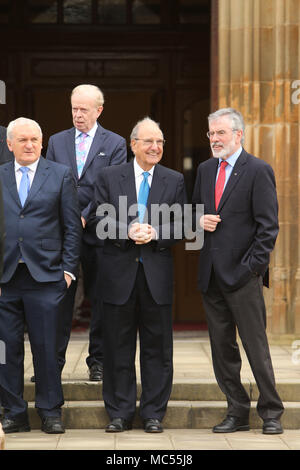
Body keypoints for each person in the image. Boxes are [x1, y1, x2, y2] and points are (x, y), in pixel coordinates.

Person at [90, 117, 187, 433]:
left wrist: (156, 232)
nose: (155, 147)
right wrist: (127, 231)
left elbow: (184, 225)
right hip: (118, 276)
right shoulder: (108, 176)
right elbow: (96, 219)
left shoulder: (173, 180)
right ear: (133, 145)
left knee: (158, 350)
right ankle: (119, 413)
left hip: (156, 277)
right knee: (117, 347)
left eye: (160, 142)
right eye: (149, 142)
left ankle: (153, 414)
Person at [192, 108, 284, 435]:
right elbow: (195, 214)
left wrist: (251, 269)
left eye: (221, 133)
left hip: (244, 278)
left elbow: (268, 228)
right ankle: (237, 411)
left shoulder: (258, 170)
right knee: (222, 350)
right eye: (211, 134)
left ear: (238, 135)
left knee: (255, 347)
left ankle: (272, 412)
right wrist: (196, 222)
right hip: (211, 276)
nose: (214, 139)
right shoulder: (204, 170)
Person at [0, 117, 82, 434]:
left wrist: (68, 272)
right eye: (23, 140)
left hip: (47, 277)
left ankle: (50, 411)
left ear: (42, 141)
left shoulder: (60, 175)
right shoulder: (1, 175)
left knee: (47, 348)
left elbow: (72, 228)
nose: (30, 145)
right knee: (6, 349)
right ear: (10, 144)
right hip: (6, 279)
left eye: (35, 139)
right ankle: (14, 412)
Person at [46, 84, 127, 381]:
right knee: (58, 296)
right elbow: (49, 182)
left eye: (83, 110)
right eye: (73, 109)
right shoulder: (56, 141)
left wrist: (83, 216)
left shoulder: (116, 143)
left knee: (101, 297)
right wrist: (69, 218)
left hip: (99, 231)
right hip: (63, 232)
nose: (77, 115)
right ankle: (52, 362)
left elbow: (112, 187)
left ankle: (99, 361)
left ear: (99, 110)